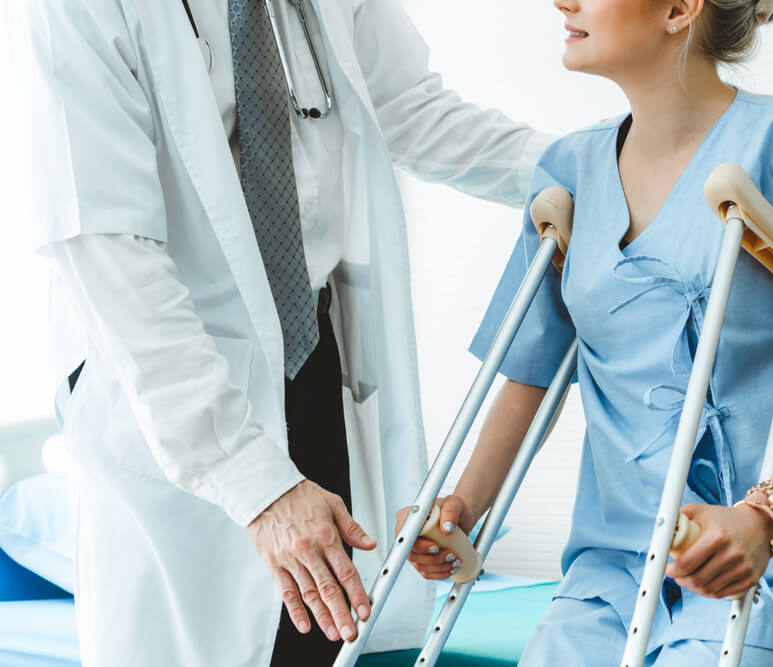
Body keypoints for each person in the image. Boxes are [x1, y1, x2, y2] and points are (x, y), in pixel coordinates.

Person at [4, 0, 554, 665]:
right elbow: (110, 248)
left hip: (312, 363)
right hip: (174, 401)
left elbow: (409, 109)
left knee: (319, 645)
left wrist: (608, 170)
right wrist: (255, 481)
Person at [401, 0, 773, 665]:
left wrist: (766, 517)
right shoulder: (569, 172)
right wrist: (459, 511)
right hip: (615, 571)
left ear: (680, 9)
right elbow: (531, 371)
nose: (562, 2)